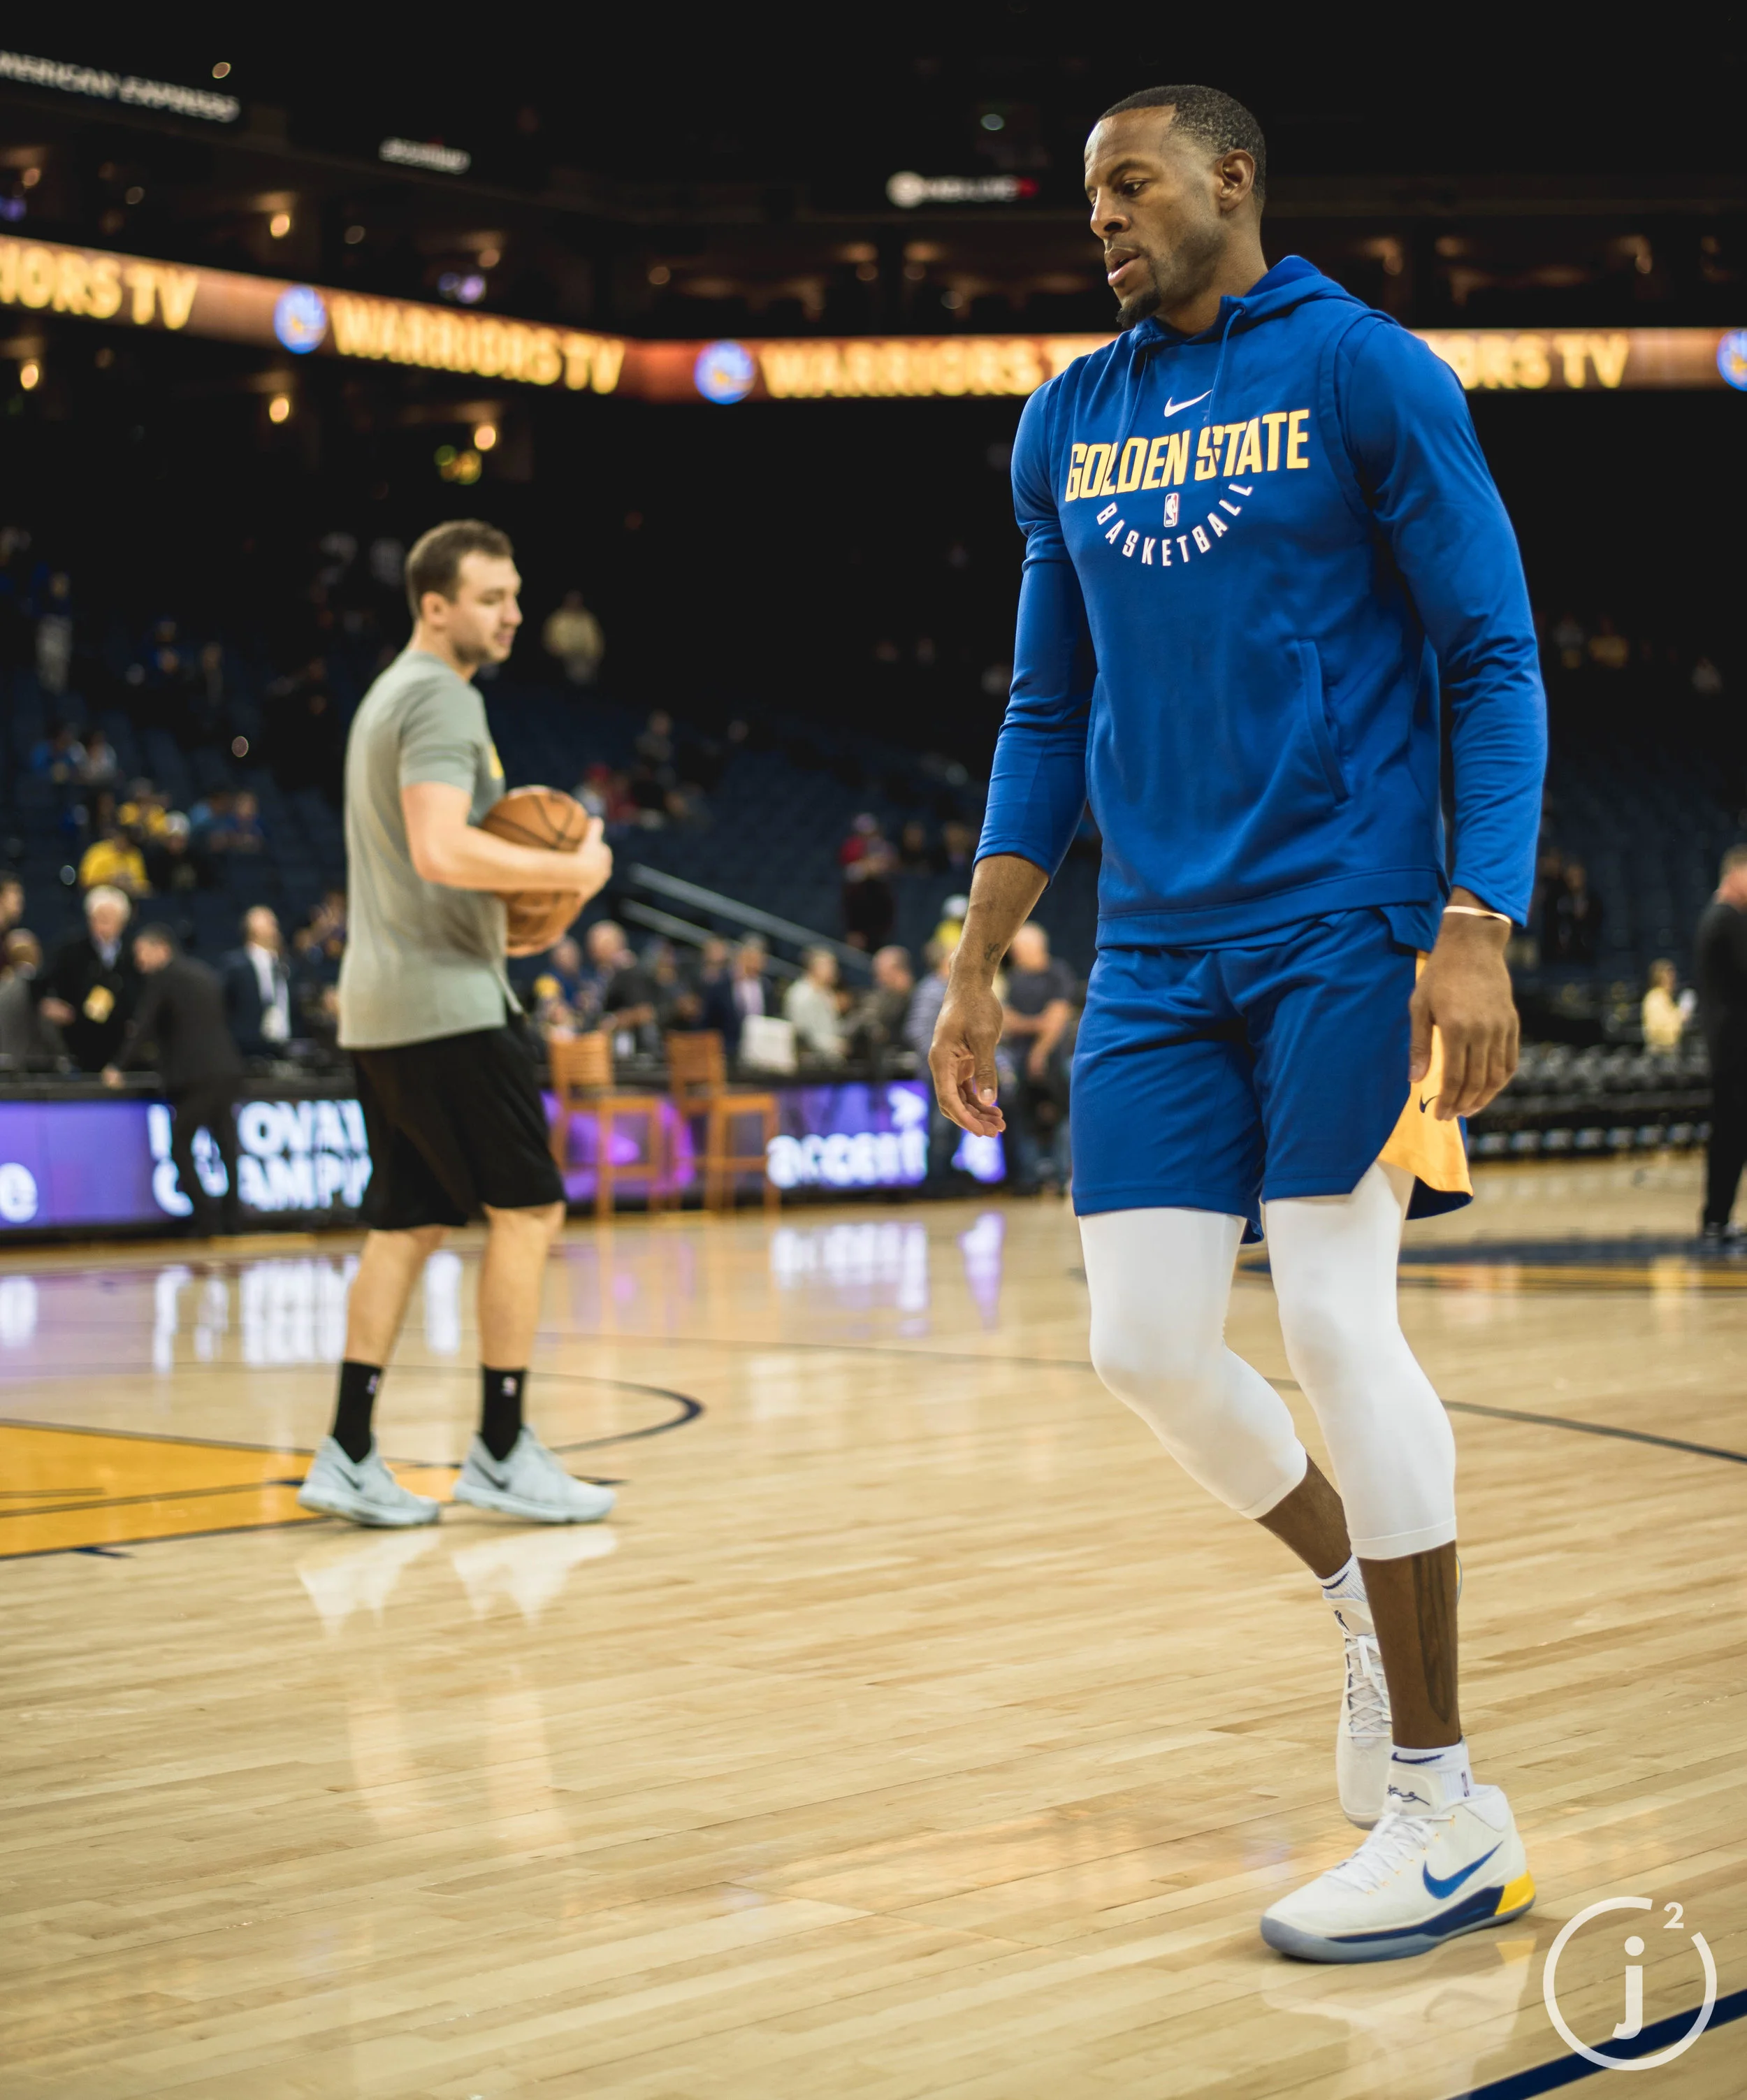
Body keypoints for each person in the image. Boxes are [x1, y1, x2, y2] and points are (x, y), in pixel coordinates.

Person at [929, 85, 1546, 1963]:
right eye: (1088, 198)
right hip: (1152, 946)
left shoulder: (1366, 373)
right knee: (1140, 1344)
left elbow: (1490, 654)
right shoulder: (1066, 417)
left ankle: (1444, 1803)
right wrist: (975, 954)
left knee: (1336, 1316)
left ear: (1230, 178)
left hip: (1348, 919)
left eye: (1129, 185)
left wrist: (1475, 921)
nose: (1101, 218)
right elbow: (1045, 713)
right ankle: (1362, 1598)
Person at [298, 518, 615, 1530]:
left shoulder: (389, 694)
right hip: (446, 1007)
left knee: (407, 1221)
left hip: (383, 1004)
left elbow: (426, 863)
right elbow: (440, 848)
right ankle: (503, 1448)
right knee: (528, 1211)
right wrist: (571, 870)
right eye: (491, 598)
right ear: (435, 606)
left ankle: (348, 1450)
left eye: (515, 594)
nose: (514, 613)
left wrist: (510, 910)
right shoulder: (440, 695)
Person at [103, 926, 243, 1236]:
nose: (139, 962)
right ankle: (234, 1220)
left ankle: (207, 1219)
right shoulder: (204, 972)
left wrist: (118, 1067)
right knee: (227, 1146)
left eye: (142, 953)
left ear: (161, 948)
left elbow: (144, 1026)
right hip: (227, 1069)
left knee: (179, 1146)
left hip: (196, 1077)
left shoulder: (164, 978)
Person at [1695, 844, 1747, 1247]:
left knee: (1731, 1135)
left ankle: (1717, 1217)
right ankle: (1716, 1217)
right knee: (1731, 1136)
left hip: (1729, 1047)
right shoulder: (1726, 919)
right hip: (1734, 1049)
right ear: (1735, 875)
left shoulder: (1720, 918)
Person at [1001, 922, 1078, 1194]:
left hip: (1055, 1059)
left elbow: (1057, 1019)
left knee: (1064, 1116)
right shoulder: (1013, 978)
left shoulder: (1057, 973)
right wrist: (1037, 1024)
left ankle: (1062, 1175)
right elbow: (1005, 1020)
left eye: (1019, 949)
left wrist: (1039, 1053)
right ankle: (1029, 1178)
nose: (1015, 954)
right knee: (1023, 1119)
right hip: (1019, 1061)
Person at [34, 885, 140, 1072]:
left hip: (122, 1039)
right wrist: (47, 1003)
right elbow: (39, 982)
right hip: (78, 1037)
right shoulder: (70, 949)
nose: (103, 925)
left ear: (123, 921)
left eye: (110, 918)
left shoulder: (134, 953)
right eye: (99, 918)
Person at [223, 906, 296, 1058]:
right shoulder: (235, 965)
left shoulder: (286, 964)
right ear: (253, 929)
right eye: (270, 923)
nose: (275, 928)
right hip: (248, 1048)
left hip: (285, 1046)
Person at [585, 920, 661, 1055]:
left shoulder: (630, 972)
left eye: (598, 944)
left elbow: (646, 1012)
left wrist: (614, 1021)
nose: (593, 950)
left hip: (634, 1050)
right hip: (607, 1048)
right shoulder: (603, 975)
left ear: (615, 944)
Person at [846, 944, 915, 1069]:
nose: (878, 980)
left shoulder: (917, 997)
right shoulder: (883, 997)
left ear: (898, 971)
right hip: (887, 1063)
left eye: (882, 974)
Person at [702, 937, 771, 1058]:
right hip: (726, 1053)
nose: (753, 964)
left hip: (760, 1054)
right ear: (739, 959)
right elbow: (708, 1023)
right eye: (749, 958)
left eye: (757, 959)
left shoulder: (766, 987)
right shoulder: (720, 987)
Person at [0, 931, 61, 1067]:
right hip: (36, 1065)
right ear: (36, 952)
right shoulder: (36, 986)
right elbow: (47, 1026)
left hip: (7, 1063)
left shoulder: (3, 987)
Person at [784, 946, 848, 1062]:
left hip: (830, 1058)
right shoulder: (801, 994)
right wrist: (834, 1044)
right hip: (809, 1060)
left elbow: (832, 1028)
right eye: (829, 966)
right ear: (814, 968)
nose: (834, 971)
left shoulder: (827, 993)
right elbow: (804, 1034)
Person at [542, 589, 604, 685]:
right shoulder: (558, 619)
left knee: (585, 672)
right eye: (572, 600)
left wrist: (593, 657)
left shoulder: (587, 619)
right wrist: (563, 653)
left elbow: (595, 642)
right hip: (562, 659)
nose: (574, 603)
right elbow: (551, 641)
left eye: (577, 600)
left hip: (584, 659)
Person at [1640, 960, 1688, 1054]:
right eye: (1669, 977)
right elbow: (1657, 1032)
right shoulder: (1655, 999)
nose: (1673, 981)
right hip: (1660, 1053)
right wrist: (1680, 1018)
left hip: (1670, 1050)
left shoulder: (1666, 998)